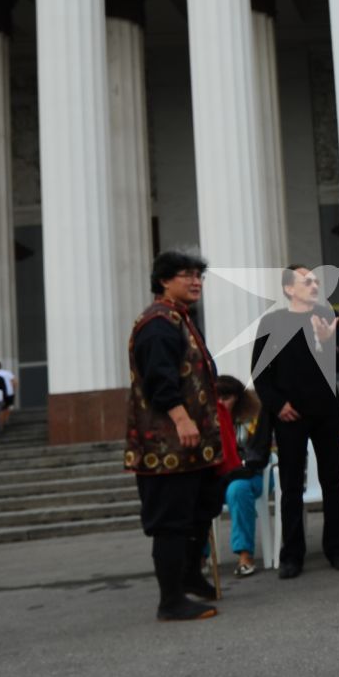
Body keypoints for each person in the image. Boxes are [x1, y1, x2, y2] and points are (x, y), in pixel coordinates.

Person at [125, 249, 223, 621]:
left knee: (201, 509)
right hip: (166, 444)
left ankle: (190, 578)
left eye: (199, 275)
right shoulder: (158, 323)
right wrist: (183, 420)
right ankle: (171, 600)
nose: (195, 281)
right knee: (170, 520)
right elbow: (159, 381)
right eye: (186, 274)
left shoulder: (180, 318)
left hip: (193, 444)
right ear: (164, 280)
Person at [250, 267, 339, 579]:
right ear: (289, 289)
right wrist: (278, 404)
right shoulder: (272, 322)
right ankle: (292, 555)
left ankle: (337, 548)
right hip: (289, 415)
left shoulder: (326, 313)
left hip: (325, 411)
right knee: (291, 486)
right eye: (306, 281)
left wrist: (329, 343)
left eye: (316, 281)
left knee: (333, 481)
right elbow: (260, 372)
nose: (314, 284)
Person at [209, 374, 265, 577]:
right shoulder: (209, 422)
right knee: (198, 491)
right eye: (218, 398)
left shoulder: (253, 420)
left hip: (252, 475)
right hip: (219, 478)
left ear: (238, 399)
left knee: (238, 489)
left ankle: (244, 554)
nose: (221, 402)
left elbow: (263, 452)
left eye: (226, 398)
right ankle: (200, 555)